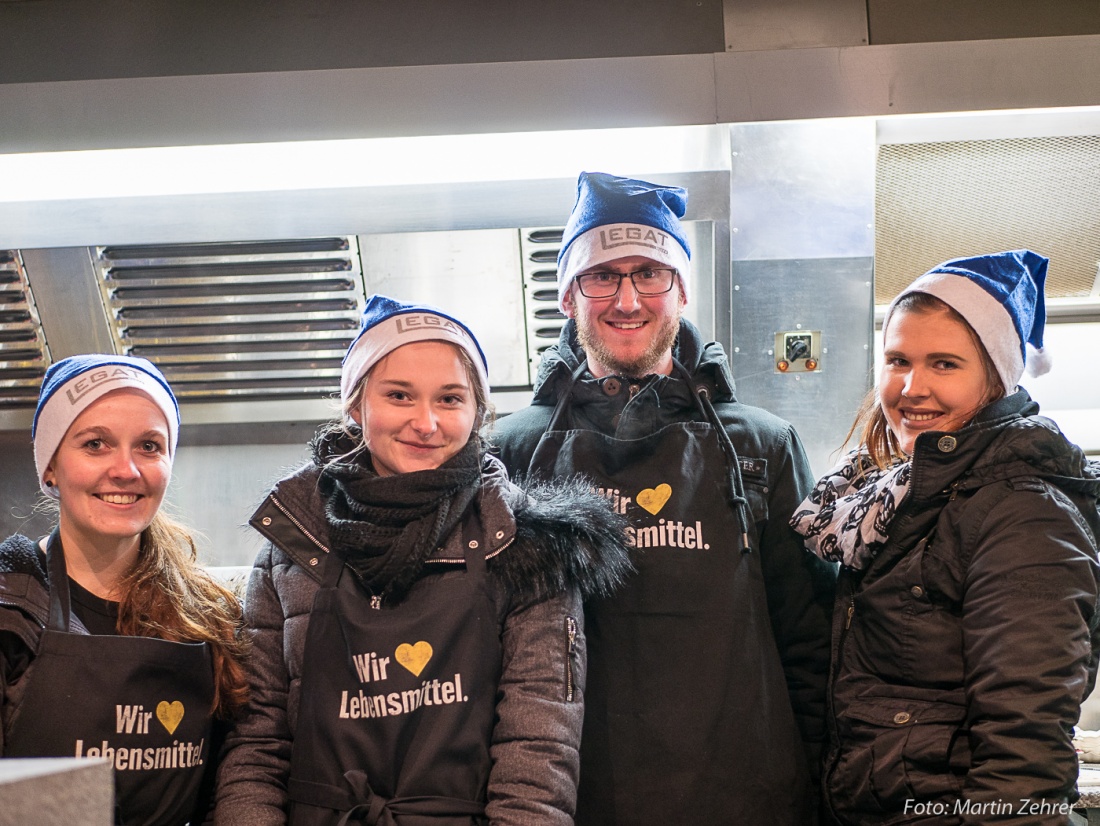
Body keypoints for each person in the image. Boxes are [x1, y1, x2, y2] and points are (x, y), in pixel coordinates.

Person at [489, 171, 836, 824]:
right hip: (573, 802)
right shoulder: (509, 454)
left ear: (680, 289)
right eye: (602, 275)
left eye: (648, 272)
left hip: (746, 801)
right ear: (568, 295)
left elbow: (810, 644)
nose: (626, 298)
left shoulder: (764, 444)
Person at [214, 295, 632, 825]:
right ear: (355, 404)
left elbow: (537, 753)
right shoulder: (293, 541)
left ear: (479, 412)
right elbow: (255, 745)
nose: (426, 422)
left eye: (451, 399)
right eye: (399, 395)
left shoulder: (526, 543)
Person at [791, 250, 1100, 825]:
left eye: (945, 364)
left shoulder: (1024, 512)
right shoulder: (891, 497)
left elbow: (1024, 750)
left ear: (996, 376)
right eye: (898, 359)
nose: (912, 387)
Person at [0, 354, 249, 825]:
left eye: (150, 446)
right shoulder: (11, 606)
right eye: (96, 444)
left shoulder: (211, 617)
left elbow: (232, 784)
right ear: (50, 466)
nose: (126, 470)